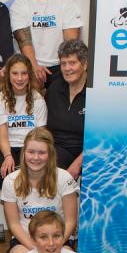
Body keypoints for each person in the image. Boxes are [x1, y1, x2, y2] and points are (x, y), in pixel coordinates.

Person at [1, 127, 77, 253]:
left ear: (50, 154)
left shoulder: (64, 178)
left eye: (42, 153)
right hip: (26, 240)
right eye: (31, 152)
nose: (35, 158)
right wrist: (35, 247)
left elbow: (70, 221)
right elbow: (14, 224)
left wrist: (53, 245)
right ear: (24, 153)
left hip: (58, 239)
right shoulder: (11, 181)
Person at [10, 0, 83, 89]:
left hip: (59, 66)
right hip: (29, 65)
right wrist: (34, 66)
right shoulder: (19, 5)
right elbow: (24, 42)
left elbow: (71, 44)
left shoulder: (66, 4)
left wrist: (66, 69)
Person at [0, 54, 47, 185]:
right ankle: (11, 205)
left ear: (29, 75)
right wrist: (8, 156)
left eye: (24, 73)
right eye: (15, 73)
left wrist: (32, 155)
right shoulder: (0, 99)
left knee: (34, 175)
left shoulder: (38, 99)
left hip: (29, 145)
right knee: (8, 174)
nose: (20, 78)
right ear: (8, 75)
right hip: (5, 145)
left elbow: (40, 136)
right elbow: (3, 136)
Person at [46, 39, 87, 177]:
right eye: (63, 63)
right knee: (48, 169)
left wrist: (77, 165)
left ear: (85, 64)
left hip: (89, 151)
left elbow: (101, 137)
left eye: (72, 63)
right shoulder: (54, 89)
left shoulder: (95, 93)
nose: (67, 68)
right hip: (59, 150)